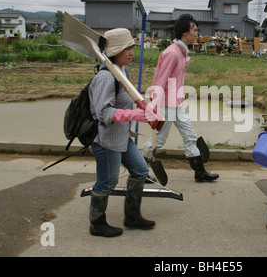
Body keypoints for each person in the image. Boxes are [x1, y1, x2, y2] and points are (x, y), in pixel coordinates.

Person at [88, 28, 155, 237]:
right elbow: (103, 113)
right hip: (106, 140)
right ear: (116, 51)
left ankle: (132, 216)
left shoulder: (121, 71)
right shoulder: (106, 77)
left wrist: (145, 106)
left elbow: (129, 96)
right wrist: (134, 115)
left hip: (121, 137)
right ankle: (97, 223)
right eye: (128, 48)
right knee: (107, 181)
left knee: (140, 170)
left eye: (132, 47)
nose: (132, 52)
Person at [142, 14, 219, 182]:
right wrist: (154, 105)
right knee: (159, 140)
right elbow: (160, 81)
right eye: (194, 30)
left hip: (177, 103)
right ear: (185, 32)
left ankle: (200, 173)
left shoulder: (181, 52)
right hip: (166, 105)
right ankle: (139, 170)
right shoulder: (173, 54)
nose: (197, 34)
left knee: (190, 136)